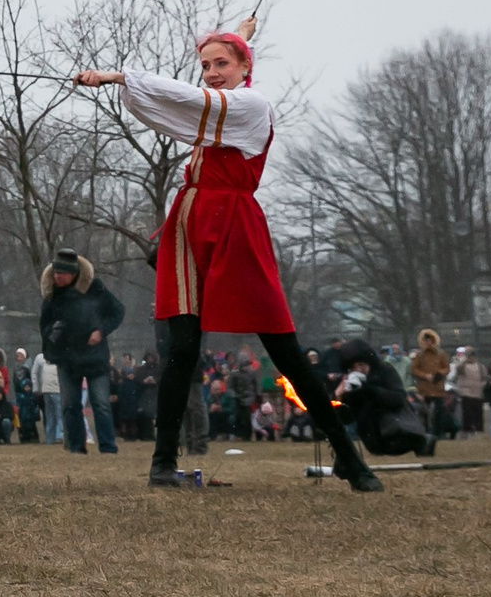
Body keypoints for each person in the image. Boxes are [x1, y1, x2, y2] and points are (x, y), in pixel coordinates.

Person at [73, 35, 380, 491]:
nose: (212, 72)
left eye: (222, 64)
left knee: (285, 350)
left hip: (234, 226)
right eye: (205, 65)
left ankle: (348, 457)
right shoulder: (221, 108)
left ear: (245, 68)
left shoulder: (250, 106)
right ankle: (162, 463)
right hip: (190, 224)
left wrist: (116, 76)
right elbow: (192, 99)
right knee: (181, 350)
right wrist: (236, 34)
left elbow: (194, 99)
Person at [38, 249, 125, 456]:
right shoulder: (52, 295)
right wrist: (53, 339)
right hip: (66, 358)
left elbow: (117, 311)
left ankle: (108, 447)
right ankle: (76, 447)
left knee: (101, 404)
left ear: (74, 273)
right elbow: (44, 326)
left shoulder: (95, 288)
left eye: (62, 273)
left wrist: (101, 331)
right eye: (56, 272)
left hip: (95, 357)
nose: (58, 277)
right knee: (70, 405)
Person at [410, 330, 451, 439]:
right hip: (424, 388)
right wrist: (425, 375)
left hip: (438, 388)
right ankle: (426, 432)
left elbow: (446, 368)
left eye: (430, 341)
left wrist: (438, 374)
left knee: (439, 412)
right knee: (424, 412)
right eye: (426, 341)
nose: (428, 343)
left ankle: (439, 433)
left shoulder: (441, 354)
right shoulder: (419, 355)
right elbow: (414, 369)